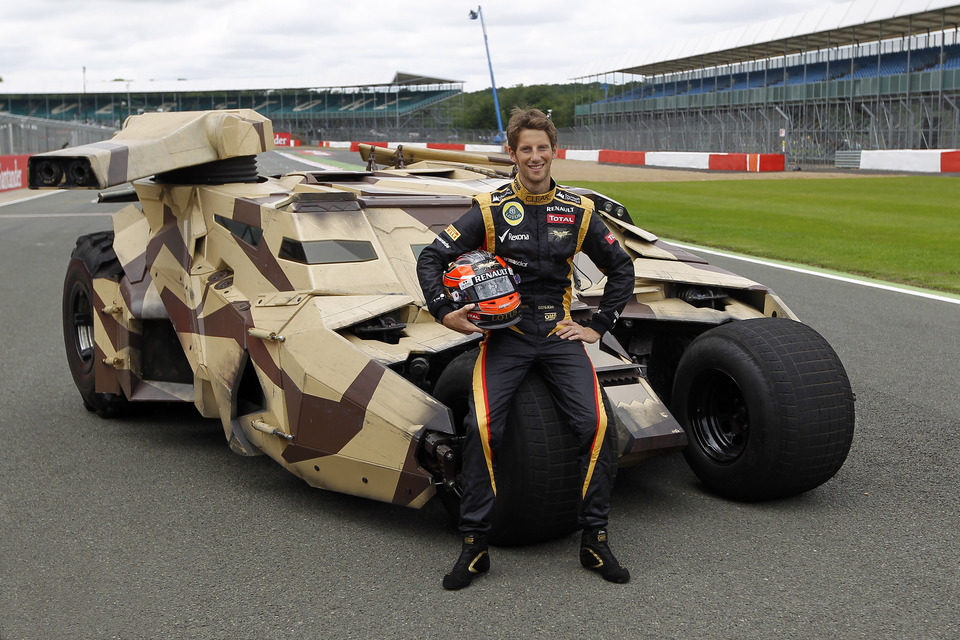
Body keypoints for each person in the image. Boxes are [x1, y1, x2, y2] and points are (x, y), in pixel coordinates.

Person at [416, 108, 635, 590]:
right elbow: (433, 256)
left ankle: (594, 539)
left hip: (558, 333)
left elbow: (622, 269)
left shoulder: (579, 211)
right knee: (484, 427)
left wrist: (597, 325)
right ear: (512, 154)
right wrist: (443, 311)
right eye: (525, 149)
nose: (534, 157)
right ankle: (474, 545)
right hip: (506, 335)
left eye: (542, 148)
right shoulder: (490, 207)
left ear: (553, 151)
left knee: (597, 424)